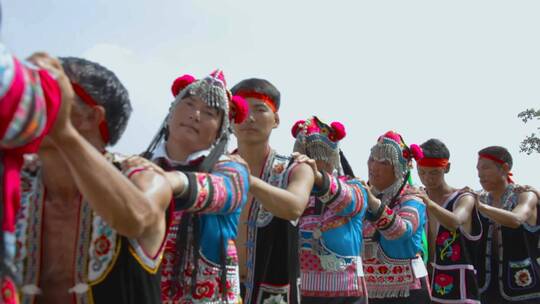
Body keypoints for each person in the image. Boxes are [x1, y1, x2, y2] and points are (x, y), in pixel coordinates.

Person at [16, 57, 173, 304]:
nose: (32, 102)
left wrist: (64, 133)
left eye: (47, 91)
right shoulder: (18, 181)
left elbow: (135, 220)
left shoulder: (143, 178)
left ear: (90, 117)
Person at [143, 71, 251, 303]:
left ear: (221, 131)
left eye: (210, 112)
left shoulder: (232, 170)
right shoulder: (141, 164)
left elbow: (223, 192)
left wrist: (173, 182)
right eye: (189, 104)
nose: (195, 115)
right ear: (171, 112)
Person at [231, 78, 313, 304]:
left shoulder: (295, 168)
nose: (249, 118)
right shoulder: (214, 169)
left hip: (276, 294)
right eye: (242, 110)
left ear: (276, 119)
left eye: (260, 109)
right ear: (230, 119)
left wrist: (247, 180)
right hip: (221, 289)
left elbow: (294, 207)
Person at [291, 116, 368, 304]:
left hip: (345, 290)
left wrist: (316, 177)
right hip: (303, 288)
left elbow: (349, 202)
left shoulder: (354, 186)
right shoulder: (295, 189)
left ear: (332, 158)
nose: (314, 161)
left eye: (319, 155)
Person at [362, 131, 430, 303]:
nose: (374, 166)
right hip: (368, 290)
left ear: (399, 168)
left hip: (407, 291)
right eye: (372, 159)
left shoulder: (413, 199)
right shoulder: (363, 196)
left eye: (384, 162)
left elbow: (402, 230)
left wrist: (374, 204)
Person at [416, 138, 481, 303]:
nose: (427, 178)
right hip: (425, 280)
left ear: (447, 168)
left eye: (434, 172)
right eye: (422, 172)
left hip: (460, 286)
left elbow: (455, 222)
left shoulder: (463, 197)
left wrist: (429, 203)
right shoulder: (415, 200)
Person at [475, 146, 540, 303]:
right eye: (478, 169)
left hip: (526, 287)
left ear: (504, 168)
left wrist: (481, 207)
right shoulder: (480, 198)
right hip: (488, 288)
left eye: (485, 168)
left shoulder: (525, 195)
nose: (480, 174)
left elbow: (516, 219)